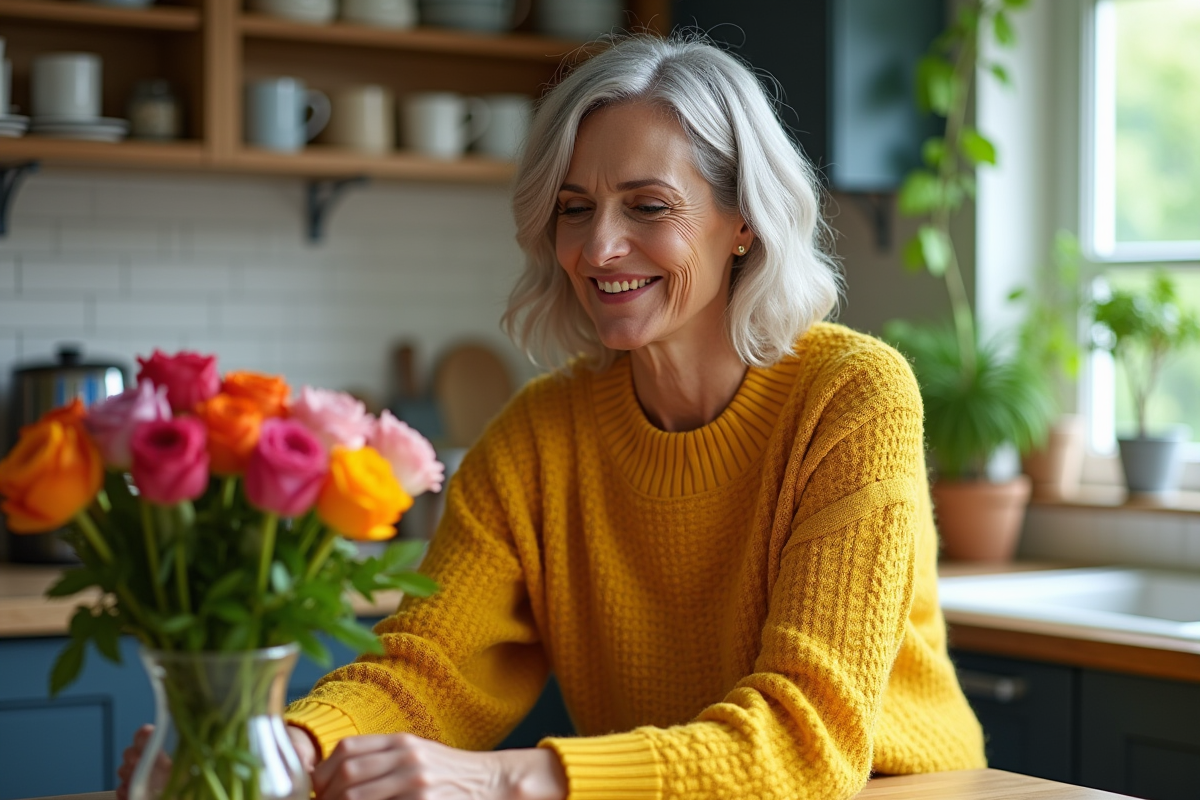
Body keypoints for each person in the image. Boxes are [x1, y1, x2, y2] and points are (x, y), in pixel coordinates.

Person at [119, 33, 986, 800]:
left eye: (648, 206)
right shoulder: (538, 435)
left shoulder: (851, 395)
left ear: (744, 223)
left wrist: (510, 777)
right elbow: (434, 669)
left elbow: (807, 745)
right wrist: (272, 749)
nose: (598, 247)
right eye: (575, 209)